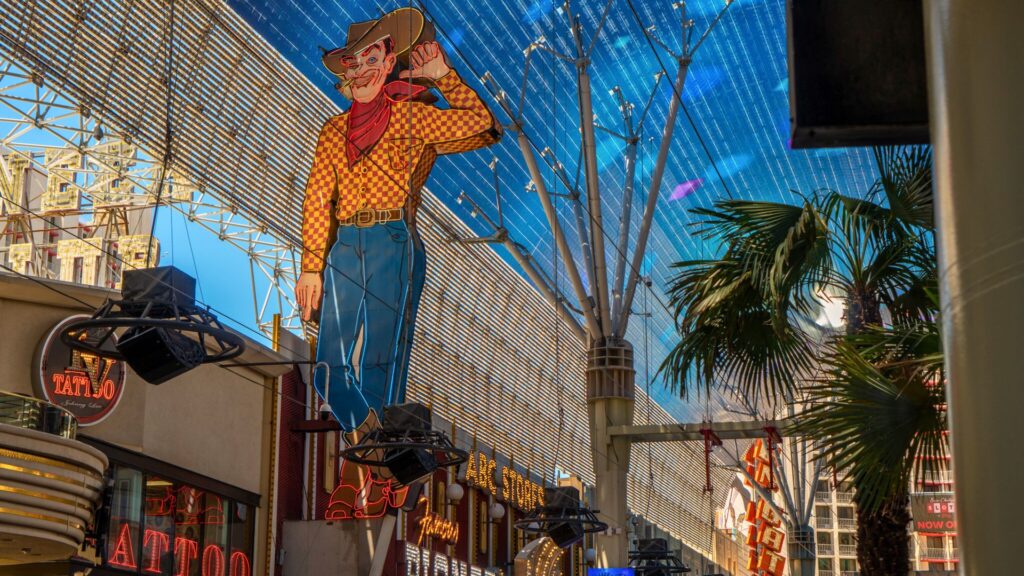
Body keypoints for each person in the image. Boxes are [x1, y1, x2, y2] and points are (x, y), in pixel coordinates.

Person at [295, 7, 501, 433]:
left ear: (390, 64)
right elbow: (318, 197)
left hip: (394, 239)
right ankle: (371, 436)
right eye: (355, 62)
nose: (364, 70)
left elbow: (484, 125)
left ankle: (376, 461)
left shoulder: (412, 116)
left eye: (374, 59)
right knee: (326, 370)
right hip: (345, 246)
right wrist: (311, 268)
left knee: (381, 364)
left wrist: (444, 76)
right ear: (346, 71)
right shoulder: (332, 131)